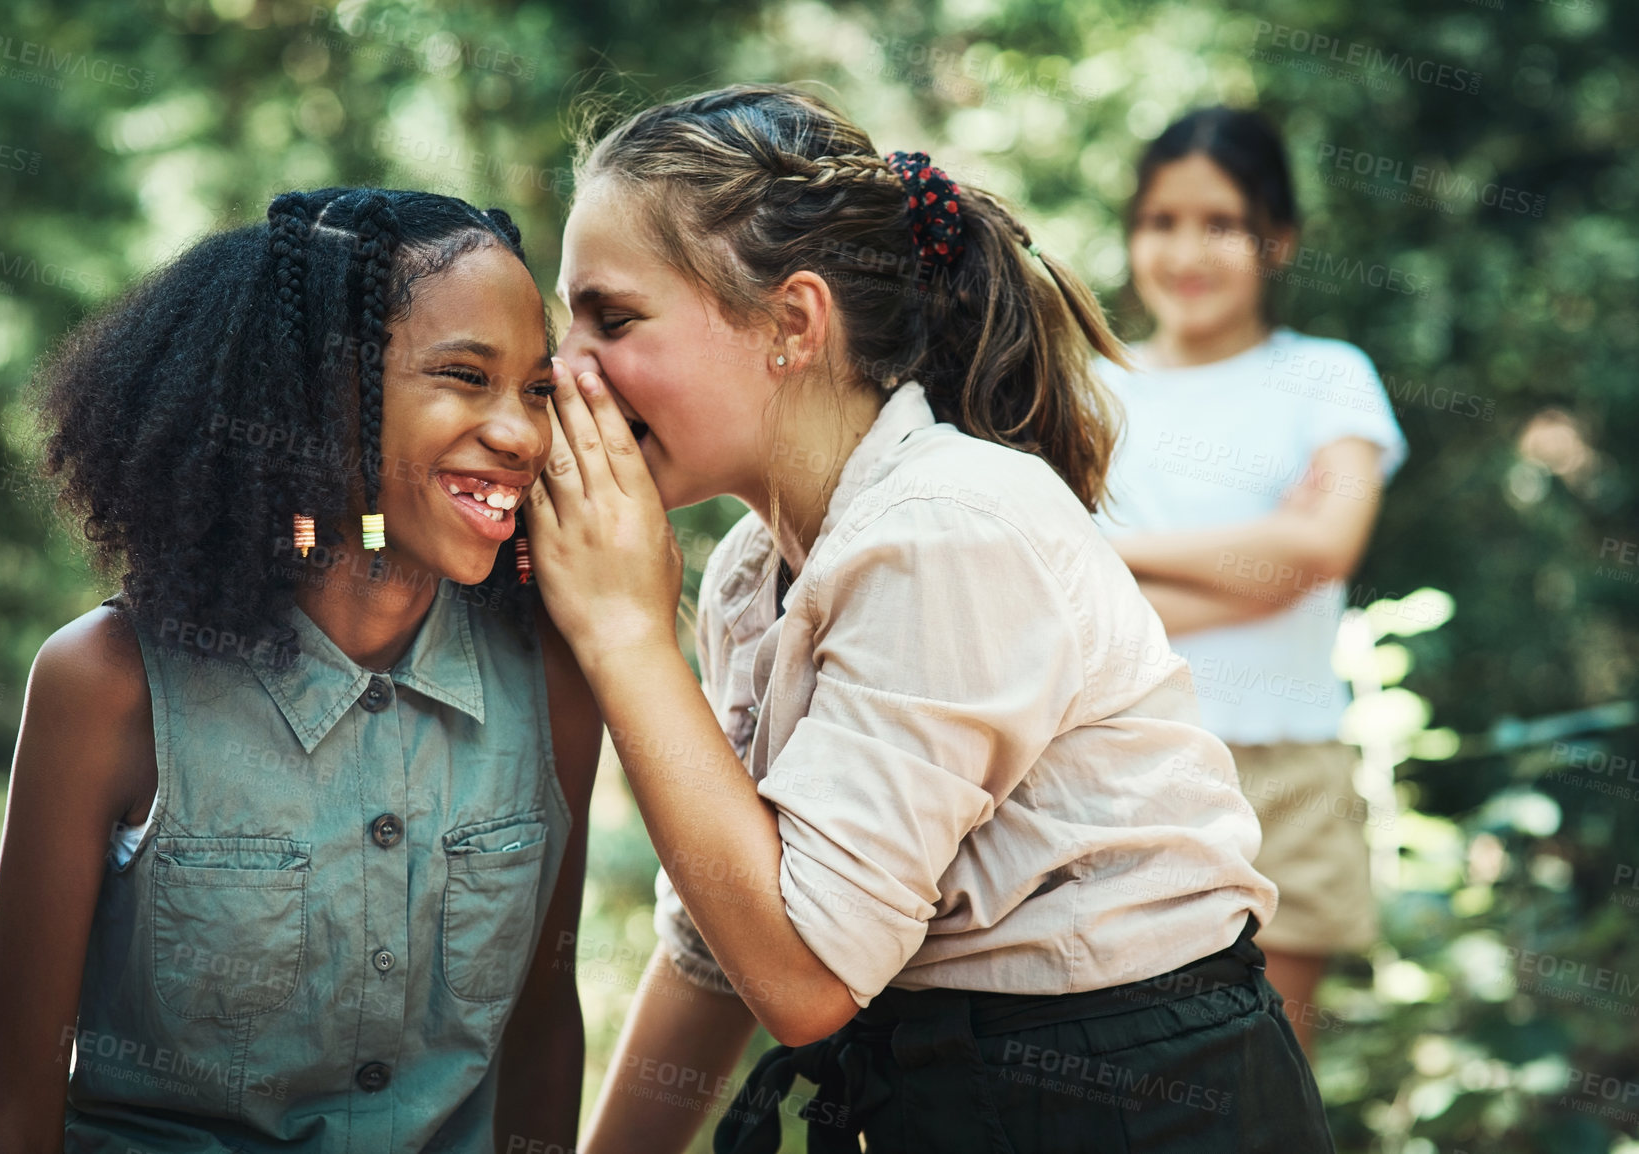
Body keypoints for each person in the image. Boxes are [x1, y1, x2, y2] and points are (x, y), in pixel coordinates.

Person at [526, 84, 1330, 1152]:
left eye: (610, 317)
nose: (563, 368)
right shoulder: (753, 569)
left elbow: (803, 973)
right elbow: (721, 944)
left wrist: (625, 632)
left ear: (791, 322)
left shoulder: (949, 525)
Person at [0, 188, 602, 1152]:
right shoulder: (108, 686)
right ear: (316, 396)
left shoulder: (554, 675)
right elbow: (15, 1106)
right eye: (466, 376)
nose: (521, 433)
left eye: (537, 389)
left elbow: (543, 1027)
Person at [1093, 106, 1409, 1056]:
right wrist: (1269, 562)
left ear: (1278, 239)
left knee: (1269, 1080)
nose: (1187, 250)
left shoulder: (1327, 378)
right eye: (1162, 220)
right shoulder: (1089, 389)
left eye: (1221, 223)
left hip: (1290, 773)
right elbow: (1071, 601)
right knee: (1130, 1081)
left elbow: (1329, 546)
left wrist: (1121, 556)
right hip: (1127, 769)